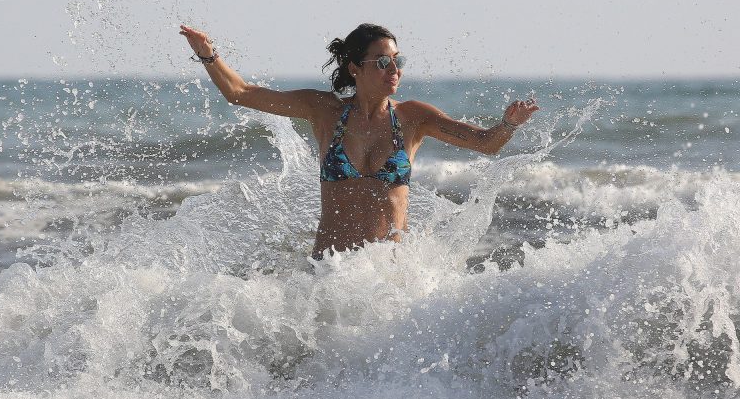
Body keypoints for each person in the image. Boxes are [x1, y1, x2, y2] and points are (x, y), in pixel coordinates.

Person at [179, 23, 539, 260]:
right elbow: (241, 93)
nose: (393, 69)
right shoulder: (324, 112)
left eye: (397, 61)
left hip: (386, 282)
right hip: (328, 276)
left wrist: (508, 124)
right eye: (382, 61)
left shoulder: (413, 117)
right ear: (355, 67)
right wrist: (208, 53)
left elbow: (487, 144)